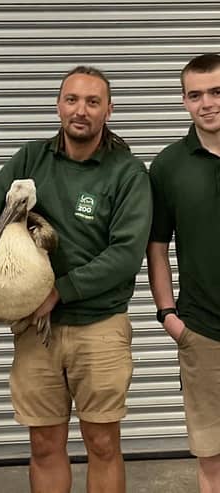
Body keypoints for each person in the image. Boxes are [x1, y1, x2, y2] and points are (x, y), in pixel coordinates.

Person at [0, 66, 152, 493]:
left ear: (109, 109)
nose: (81, 110)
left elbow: (125, 255)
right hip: (37, 331)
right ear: (58, 106)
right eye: (72, 100)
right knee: (44, 443)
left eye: (92, 102)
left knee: (103, 443)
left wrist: (58, 292)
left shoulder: (127, 173)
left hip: (100, 328)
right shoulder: (31, 158)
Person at [147, 53, 220, 493]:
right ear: (184, 101)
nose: (207, 103)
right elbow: (157, 247)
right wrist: (168, 315)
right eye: (195, 95)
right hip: (204, 332)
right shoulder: (169, 166)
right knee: (211, 456)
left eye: (216, 92)